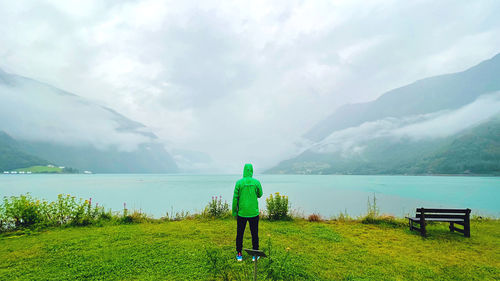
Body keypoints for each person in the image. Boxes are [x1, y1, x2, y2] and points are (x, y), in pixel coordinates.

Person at [232, 163, 263, 262]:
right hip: (254, 213)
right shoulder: (256, 182)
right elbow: (260, 194)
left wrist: (234, 212)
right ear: (252, 171)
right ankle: (255, 254)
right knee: (254, 233)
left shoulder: (239, 183)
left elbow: (235, 198)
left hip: (241, 213)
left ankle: (239, 253)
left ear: (244, 170)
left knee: (240, 233)